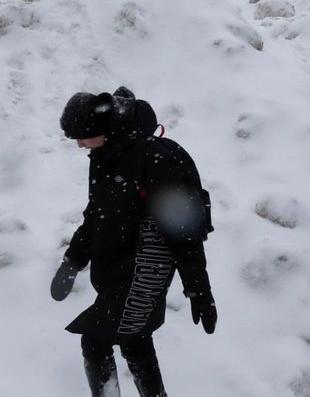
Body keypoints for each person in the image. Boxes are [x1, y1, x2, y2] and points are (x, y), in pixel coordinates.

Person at [52, 87, 215, 397]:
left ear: (101, 129)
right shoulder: (103, 155)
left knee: (95, 341)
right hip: (117, 273)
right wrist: (72, 261)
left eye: (81, 136)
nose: (78, 144)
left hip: (144, 273)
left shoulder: (155, 159)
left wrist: (199, 289)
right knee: (135, 342)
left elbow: (184, 232)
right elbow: (96, 216)